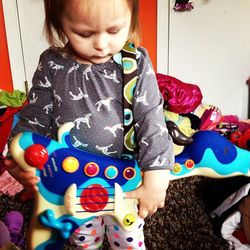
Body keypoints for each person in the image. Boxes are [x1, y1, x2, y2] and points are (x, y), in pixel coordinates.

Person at [4, 0, 174, 249]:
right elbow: (36, 113)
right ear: (60, 23)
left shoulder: (135, 64)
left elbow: (151, 117)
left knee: (128, 241)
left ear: (131, 19)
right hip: (72, 182)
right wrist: (21, 154)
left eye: (114, 31)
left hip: (124, 181)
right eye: (84, 33)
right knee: (83, 241)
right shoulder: (52, 64)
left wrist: (157, 178)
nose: (101, 44)